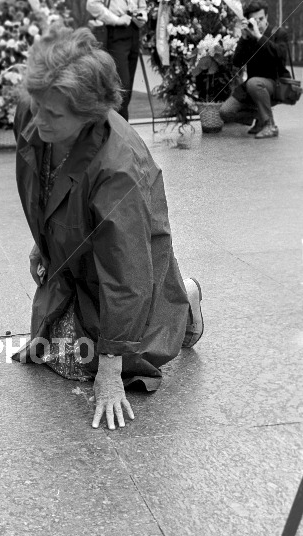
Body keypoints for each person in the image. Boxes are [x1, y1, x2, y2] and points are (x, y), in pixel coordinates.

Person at [12, 24, 204, 431]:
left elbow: (126, 273)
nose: (37, 121)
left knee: (87, 363)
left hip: (128, 263)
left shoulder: (119, 169)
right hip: (80, 251)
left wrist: (111, 372)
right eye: (37, 105)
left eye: (53, 114)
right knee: (57, 355)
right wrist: (42, 244)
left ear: (90, 113)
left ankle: (181, 296)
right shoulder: (36, 110)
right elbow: (43, 189)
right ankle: (162, 301)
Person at [219, 0, 289, 139]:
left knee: (254, 83)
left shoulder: (279, 33)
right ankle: (262, 118)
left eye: (261, 19)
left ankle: (269, 125)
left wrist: (259, 37)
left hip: (277, 84)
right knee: (225, 112)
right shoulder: (248, 37)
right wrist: (244, 38)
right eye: (255, 20)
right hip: (253, 86)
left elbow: (280, 57)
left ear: (267, 17)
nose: (259, 23)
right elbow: (237, 62)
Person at [85, 0, 147, 121]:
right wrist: (116, 20)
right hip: (115, 30)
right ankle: (118, 132)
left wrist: (142, 16)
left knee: (127, 89)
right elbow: (92, 4)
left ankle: (121, 129)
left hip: (133, 30)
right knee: (120, 87)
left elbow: (142, 6)